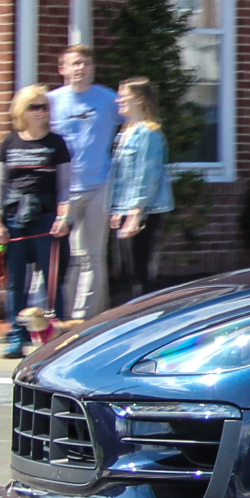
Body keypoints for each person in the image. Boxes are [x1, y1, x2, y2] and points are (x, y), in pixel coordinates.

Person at [0, 87, 72, 360]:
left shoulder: (56, 144)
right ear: (21, 111)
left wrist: (63, 217)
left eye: (44, 107)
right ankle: (16, 334)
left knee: (51, 283)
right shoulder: (9, 143)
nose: (40, 112)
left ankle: (53, 334)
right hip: (14, 218)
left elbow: (66, 187)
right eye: (34, 107)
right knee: (15, 284)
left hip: (46, 218)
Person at [48, 44, 119, 321]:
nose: (80, 68)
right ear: (62, 69)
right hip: (63, 189)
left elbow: (136, 121)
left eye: (85, 64)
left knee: (93, 254)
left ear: (92, 68)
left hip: (99, 184)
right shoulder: (51, 101)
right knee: (63, 255)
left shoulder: (108, 100)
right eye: (74, 64)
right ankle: (59, 314)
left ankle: (88, 317)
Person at [108, 76, 174, 303]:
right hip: (128, 207)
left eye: (123, 97)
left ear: (140, 99)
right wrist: (117, 209)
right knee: (127, 270)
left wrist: (136, 214)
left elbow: (147, 175)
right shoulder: (125, 131)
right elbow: (121, 177)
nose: (118, 101)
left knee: (138, 270)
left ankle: (143, 320)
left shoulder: (148, 133)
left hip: (145, 209)